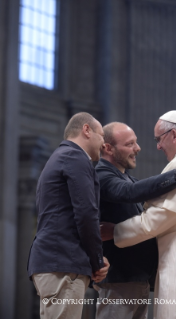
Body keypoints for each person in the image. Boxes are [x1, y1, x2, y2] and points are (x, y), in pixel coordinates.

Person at [94, 120, 176, 319]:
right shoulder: (101, 174)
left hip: (138, 278)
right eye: (130, 144)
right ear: (108, 148)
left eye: (135, 142)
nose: (138, 148)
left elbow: (145, 194)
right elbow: (130, 192)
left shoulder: (127, 177)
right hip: (119, 278)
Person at [27, 112, 110, 319]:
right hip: (63, 263)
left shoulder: (60, 157)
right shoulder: (75, 156)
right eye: (102, 136)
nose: (104, 144)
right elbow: (86, 213)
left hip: (56, 262)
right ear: (86, 130)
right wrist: (97, 261)